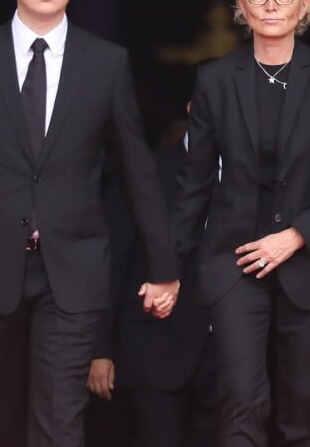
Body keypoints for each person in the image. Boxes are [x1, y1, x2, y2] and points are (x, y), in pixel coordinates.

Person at [173, 0, 310, 446]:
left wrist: (297, 235)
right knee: (241, 401)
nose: (271, 5)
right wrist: (167, 267)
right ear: (240, 3)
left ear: (306, 2)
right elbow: (193, 185)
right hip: (234, 265)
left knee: (303, 414)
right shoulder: (215, 80)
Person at [0, 0, 180, 447]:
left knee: (59, 423)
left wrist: (163, 265)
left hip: (72, 271)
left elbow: (135, 171)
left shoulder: (105, 63)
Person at [86, 100, 218, 447]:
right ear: (192, 108)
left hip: (227, 354)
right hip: (154, 348)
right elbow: (111, 260)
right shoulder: (146, 173)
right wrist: (100, 348)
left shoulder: (252, 174)